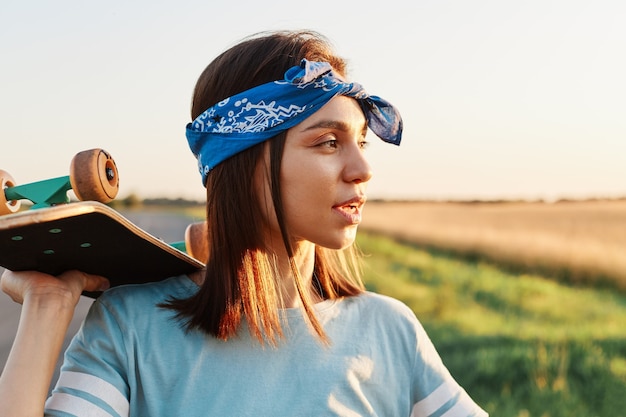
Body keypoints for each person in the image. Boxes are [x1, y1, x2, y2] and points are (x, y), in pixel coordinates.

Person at [0, 30, 488, 416]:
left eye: (362, 140)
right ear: (243, 161)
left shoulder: (391, 330)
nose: (362, 168)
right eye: (327, 142)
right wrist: (47, 305)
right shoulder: (131, 326)